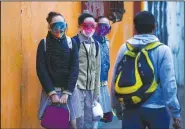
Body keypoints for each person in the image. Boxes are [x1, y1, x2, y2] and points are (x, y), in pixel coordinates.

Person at [111, 11, 181, 129]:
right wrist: (175, 112)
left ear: (134, 28)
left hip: (130, 108)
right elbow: (169, 84)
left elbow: (115, 78)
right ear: (155, 27)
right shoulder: (163, 50)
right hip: (157, 109)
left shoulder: (125, 48)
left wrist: (116, 106)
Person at [36, 11, 80, 129]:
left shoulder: (72, 43)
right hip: (51, 92)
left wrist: (67, 92)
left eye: (62, 25)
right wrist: (52, 93)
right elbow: (41, 69)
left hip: (69, 91)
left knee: (72, 124)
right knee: (54, 124)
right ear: (49, 27)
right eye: (55, 25)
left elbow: (75, 68)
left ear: (65, 25)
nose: (59, 29)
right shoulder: (43, 44)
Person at [72, 11, 101, 129]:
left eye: (92, 26)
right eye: (86, 26)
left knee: (89, 121)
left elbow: (97, 69)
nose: (90, 29)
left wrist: (96, 92)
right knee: (78, 121)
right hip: (76, 88)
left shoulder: (97, 45)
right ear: (79, 26)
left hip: (91, 89)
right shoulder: (73, 42)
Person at [92, 16, 113, 128]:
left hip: (103, 85)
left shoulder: (107, 43)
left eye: (107, 26)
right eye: (101, 25)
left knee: (103, 116)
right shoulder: (91, 42)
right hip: (92, 86)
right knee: (93, 116)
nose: (104, 28)